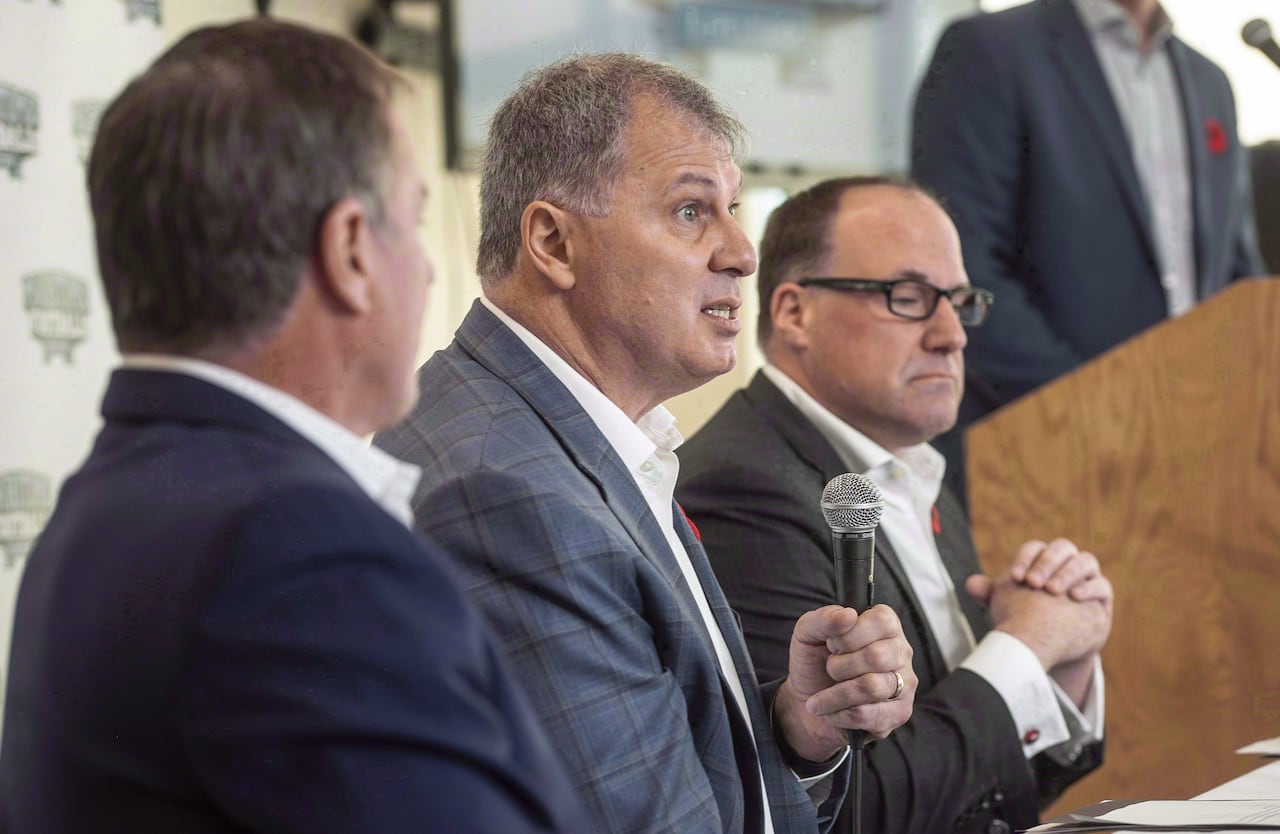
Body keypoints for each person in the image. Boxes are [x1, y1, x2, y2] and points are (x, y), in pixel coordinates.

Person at [0, 19, 587, 834]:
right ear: (350, 249)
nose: (423, 267)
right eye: (413, 222)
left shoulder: (110, 498)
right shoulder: (299, 548)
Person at [373, 54, 917, 834]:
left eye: (733, 207)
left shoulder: (571, 436)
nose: (742, 252)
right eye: (693, 212)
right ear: (554, 244)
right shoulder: (502, 487)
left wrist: (797, 731)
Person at [676, 177, 1112, 834]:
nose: (951, 336)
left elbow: (982, 787)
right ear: (795, 313)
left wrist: (1064, 666)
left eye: (960, 302)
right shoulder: (744, 485)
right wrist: (1027, 644)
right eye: (908, 298)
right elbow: (850, 809)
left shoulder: (911, 469)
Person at [911, 0, 1265, 500]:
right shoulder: (990, 50)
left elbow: (1236, 268)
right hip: (1045, 444)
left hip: (1196, 448)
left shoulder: (1211, 81)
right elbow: (964, 266)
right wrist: (1102, 406)